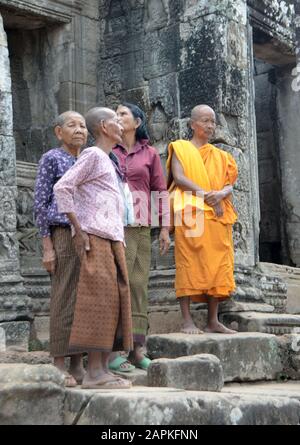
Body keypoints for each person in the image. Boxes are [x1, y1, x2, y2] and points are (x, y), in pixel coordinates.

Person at [54, 107, 133, 389]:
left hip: (112, 238)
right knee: (99, 302)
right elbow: (63, 187)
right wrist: (77, 228)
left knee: (112, 301)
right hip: (95, 236)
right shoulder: (93, 155)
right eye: (117, 121)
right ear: (103, 126)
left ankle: (99, 369)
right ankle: (94, 373)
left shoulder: (108, 159)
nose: (122, 125)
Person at [109, 102, 170, 372]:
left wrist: (166, 228)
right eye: (115, 114)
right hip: (111, 226)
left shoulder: (150, 155)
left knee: (137, 284)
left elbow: (160, 190)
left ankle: (137, 348)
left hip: (140, 226)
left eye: (123, 113)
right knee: (114, 284)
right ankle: (114, 350)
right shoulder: (107, 150)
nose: (118, 117)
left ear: (137, 121)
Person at [167, 104, 238, 334]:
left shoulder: (222, 156)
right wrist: (209, 196)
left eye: (213, 122)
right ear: (192, 124)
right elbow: (179, 178)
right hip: (191, 211)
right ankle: (187, 320)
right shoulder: (180, 148)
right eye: (205, 120)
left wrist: (220, 194)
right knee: (188, 263)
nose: (210, 126)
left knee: (218, 264)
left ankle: (213, 320)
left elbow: (230, 185)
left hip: (217, 213)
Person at [34, 111, 88, 387]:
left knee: (83, 299)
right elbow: (41, 205)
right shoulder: (52, 158)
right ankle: (58, 363)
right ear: (59, 132)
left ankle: (78, 365)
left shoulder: (88, 159)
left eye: (83, 125)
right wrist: (47, 247)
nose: (79, 129)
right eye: (72, 125)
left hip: (87, 235)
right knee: (64, 295)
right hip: (63, 234)